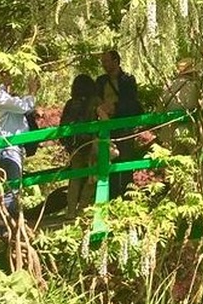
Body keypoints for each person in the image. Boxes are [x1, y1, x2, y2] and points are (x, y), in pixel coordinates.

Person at [0, 69, 40, 214]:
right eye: (5, 74)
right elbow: (24, 106)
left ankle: (8, 224)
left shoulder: (3, 97)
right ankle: (5, 227)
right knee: (11, 190)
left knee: (11, 189)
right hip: (7, 148)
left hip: (10, 148)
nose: (10, 76)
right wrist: (32, 91)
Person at [95, 50, 142, 199]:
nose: (104, 65)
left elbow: (132, 102)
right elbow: (96, 99)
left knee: (126, 160)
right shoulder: (101, 81)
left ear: (116, 61)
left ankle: (128, 197)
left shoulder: (127, 80)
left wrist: (115, 107)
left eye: (107, 61)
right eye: (103, 62)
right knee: (110, 160)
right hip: (106, 126)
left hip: (124, 125)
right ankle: (113, 196)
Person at [60, 74, 98, 217]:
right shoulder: (95, 101)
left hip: (75, 144)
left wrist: (66, 143)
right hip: (91, 142)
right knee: (91, 177)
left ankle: (70, 212)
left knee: (75, 178)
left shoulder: (71, 103)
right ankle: (83, 208)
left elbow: (63, 125)